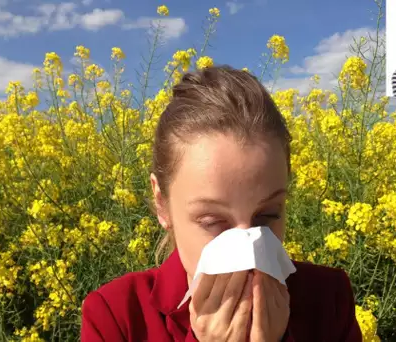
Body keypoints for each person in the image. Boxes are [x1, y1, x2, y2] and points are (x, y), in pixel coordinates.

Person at [80, 66, 363, 341]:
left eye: (267, 216)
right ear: (162, 204)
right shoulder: (116, 317)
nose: (248, 253)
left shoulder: (328, 299)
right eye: (213, 222)